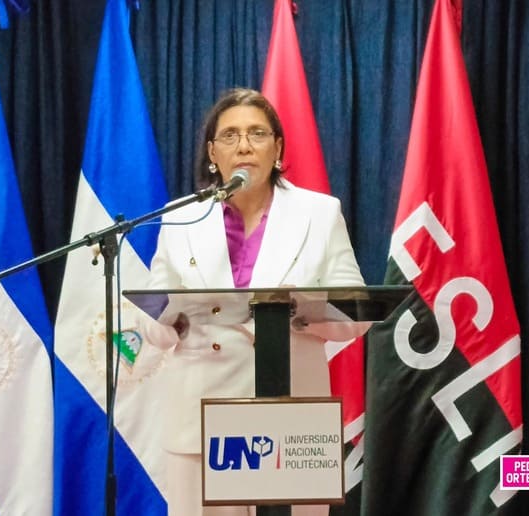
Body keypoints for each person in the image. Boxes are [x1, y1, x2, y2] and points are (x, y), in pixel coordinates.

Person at [146, 88, 365, 516]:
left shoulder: (320, 213)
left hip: (293, 421)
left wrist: (297, 309)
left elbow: (354, 314)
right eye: (229, 135)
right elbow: (154, 328)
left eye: (257, 133)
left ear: (277, 148)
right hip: (202, 420)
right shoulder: (181, 216)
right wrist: (168, 318)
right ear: (213, 153)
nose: (244, 145)